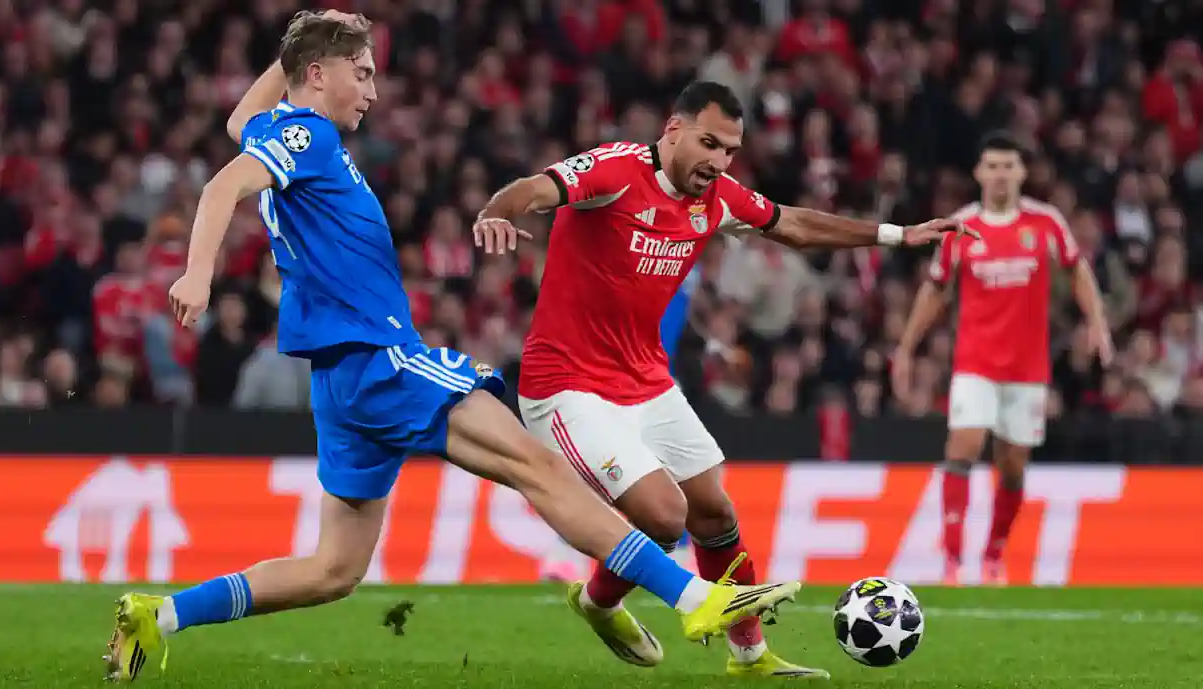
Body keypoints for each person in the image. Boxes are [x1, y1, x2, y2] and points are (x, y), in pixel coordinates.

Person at [103, 14, 803, 683]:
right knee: (538, 464)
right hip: (381, 357)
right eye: (364, 73)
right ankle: (694, 599)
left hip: (340, 378)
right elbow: (223, 183)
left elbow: (237, 128)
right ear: (319, 75)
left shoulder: (282, 133)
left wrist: (302, 41)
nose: (374, 93)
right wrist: (198, 272)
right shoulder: (310, 137)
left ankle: (157, 614)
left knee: (332, 570)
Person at [472, 80, 969, 678]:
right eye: (708, 143)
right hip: (567, 387)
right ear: (673, 129)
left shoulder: (719, 198)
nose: (718, 161)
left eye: (730, 150)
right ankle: (605, 601)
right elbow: (534, 189)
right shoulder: (615, 170)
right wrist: (496, 212)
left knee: (714, 515)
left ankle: (747, 655)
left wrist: (897, 234)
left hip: (646, 377)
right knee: (664, 516)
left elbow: (793, 225)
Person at [891, 132, 1113, 586]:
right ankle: (952, 563)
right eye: (991, 166)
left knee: (1012, 467)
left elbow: (1077, 271)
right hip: (974, 362)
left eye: (1008, 166)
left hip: (1028, 369)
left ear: (1021, 172)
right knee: (965, 446)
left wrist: (1098, 324)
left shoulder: (1045, 223)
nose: (999, 174)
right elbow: (936, 289)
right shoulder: (960, 225)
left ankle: (993, 555)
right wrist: (906, 348)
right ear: (978, 173)